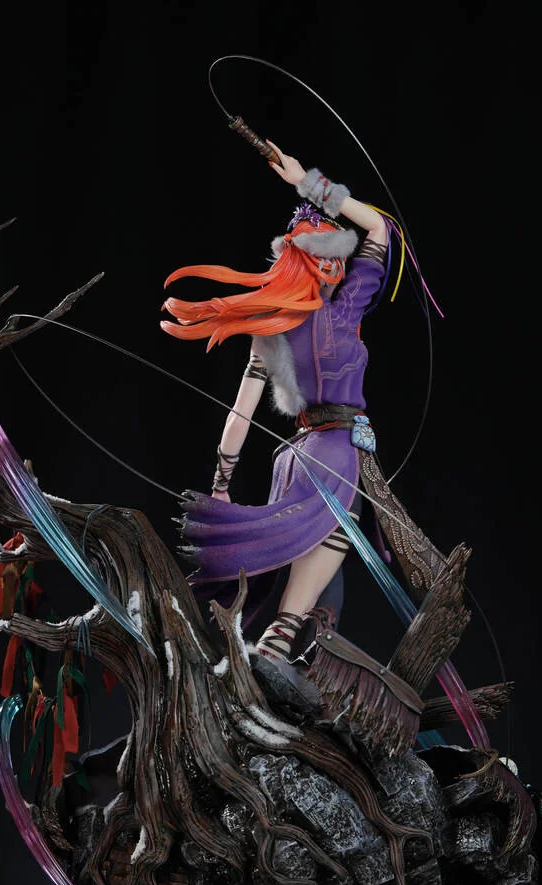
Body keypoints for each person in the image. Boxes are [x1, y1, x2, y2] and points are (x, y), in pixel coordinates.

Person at [161, 142, 390, 662]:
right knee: (330, 545)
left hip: (298, 458)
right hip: (334, 454)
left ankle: (301, 652)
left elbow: (239, 416)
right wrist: (309, 184)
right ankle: (276, 641)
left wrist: (222, 483)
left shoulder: (278, 327)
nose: (337, 264)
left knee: (328, 583)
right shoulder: (325, 316)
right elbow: (379, 230)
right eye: (331, 256)